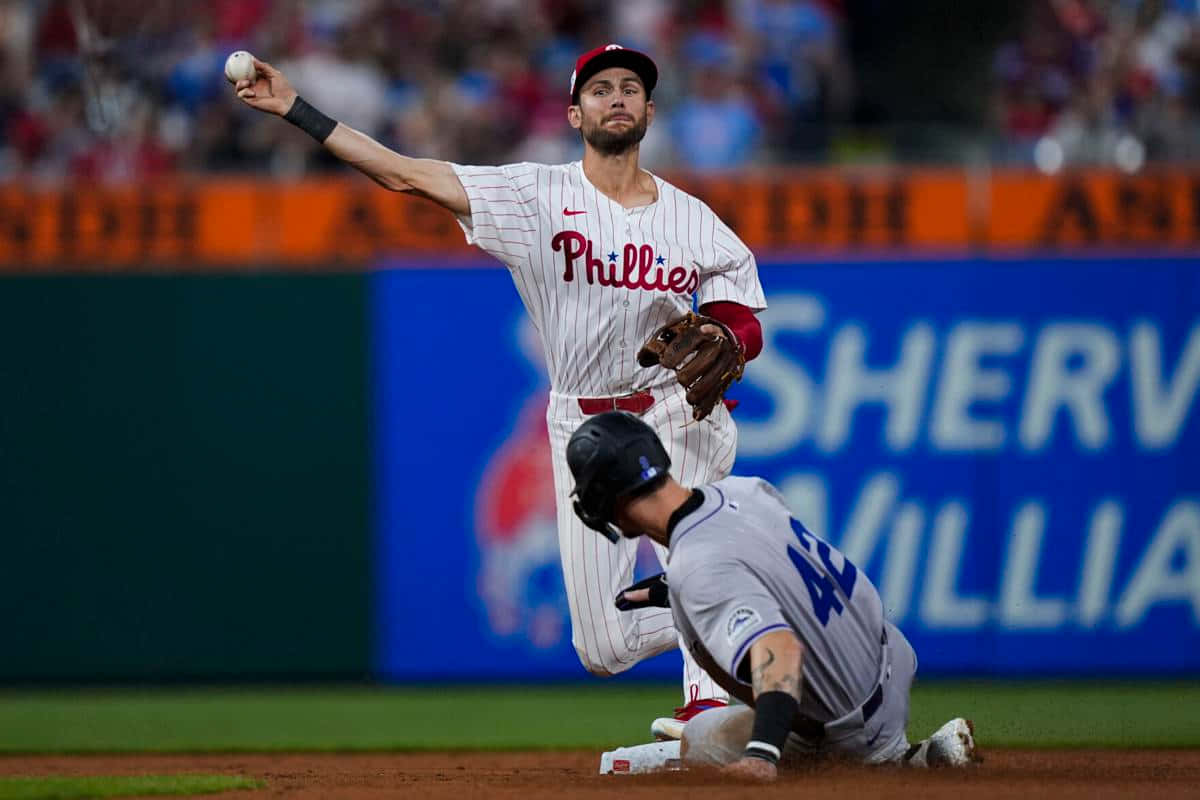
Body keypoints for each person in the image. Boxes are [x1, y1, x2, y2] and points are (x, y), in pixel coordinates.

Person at [231, 44, 766, 719]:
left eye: (632, 87)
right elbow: (402, 174)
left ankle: (712, 706)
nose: (619, 97)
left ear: (651, 111)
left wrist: (729, 336)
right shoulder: (532, 196)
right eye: (601, 90)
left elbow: (739, 319)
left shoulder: (695, 220)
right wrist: (297, 111)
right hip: (586, 427)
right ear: (575, 113)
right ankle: (760, 612)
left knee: (690, 555)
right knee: (603, 645)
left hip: (674, 409)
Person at [566, 411, 980, 782]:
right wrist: (672, 588)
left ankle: (889, 764)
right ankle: (904, 755)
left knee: (701, 740)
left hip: (850, 726)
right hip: (890, 659)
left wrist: (762, 753)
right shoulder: (744, 491)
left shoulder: (696, 567)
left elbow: (779, 650)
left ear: (605, 499)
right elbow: (774, 571)